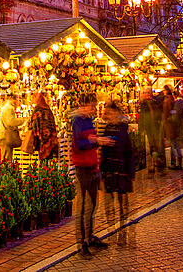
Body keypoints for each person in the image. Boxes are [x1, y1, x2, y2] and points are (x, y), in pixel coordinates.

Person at [72, 92, 113, 258]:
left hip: (93, 166)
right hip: (82, 168)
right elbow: (80, 144)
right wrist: (96, 141)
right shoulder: (77, 121)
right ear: (85, 105)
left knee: (92, 205)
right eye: (92, 106)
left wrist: (98, 140)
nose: (94, 110)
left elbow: (91, 139)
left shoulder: (88, 120)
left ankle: (89, 237)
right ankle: (81, 243)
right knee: (81, 207)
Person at [101, 100, 136, 245]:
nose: (108, 115)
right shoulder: (107, 129)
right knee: (109, 204)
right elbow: (103, 151)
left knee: (123, 204)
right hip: (110, 170)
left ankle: (123, 231)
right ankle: (112, 232)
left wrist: (130, 172)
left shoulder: (123, 130)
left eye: (110, 112)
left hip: (121, 170)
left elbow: (129, 152)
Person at [138, 88, 164, 176]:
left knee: (157, 148)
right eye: (144, 93)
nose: (146, 94)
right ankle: (151, 166)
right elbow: (142, 118)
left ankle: (159, 166)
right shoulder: (143, 104)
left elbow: (159, 114)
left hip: (156, 128)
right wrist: (141, 129)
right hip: (148, 129)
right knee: (150, 149)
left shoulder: (155, 102)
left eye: (148, 93)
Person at [30, 91, 59, 161]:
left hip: (42, 138)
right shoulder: (48, 110)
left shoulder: (37, 110)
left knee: (43, 159)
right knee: (50, 158)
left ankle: (44, 170)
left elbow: (33, 125)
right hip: (51, 139)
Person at [0, 94, 24, 163]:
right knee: (6, 158)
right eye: (18, 100)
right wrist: (22, 120)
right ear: (14, 100)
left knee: (6, 156)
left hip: (4, 135)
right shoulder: (9, 108)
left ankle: (6, 171)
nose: (18, 102)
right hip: (5, 136)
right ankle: (6, 172)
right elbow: (10, 122)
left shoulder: (8, 107)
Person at [163, 85, 183, 169]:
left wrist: (165, 119)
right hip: (171, 124)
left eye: (164, 90)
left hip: (170, 125)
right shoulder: (170, 98)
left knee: (173, 143)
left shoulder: (168, 100)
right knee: (173, 143)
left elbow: (167, 112)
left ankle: (178, 161)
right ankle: (176, 161)